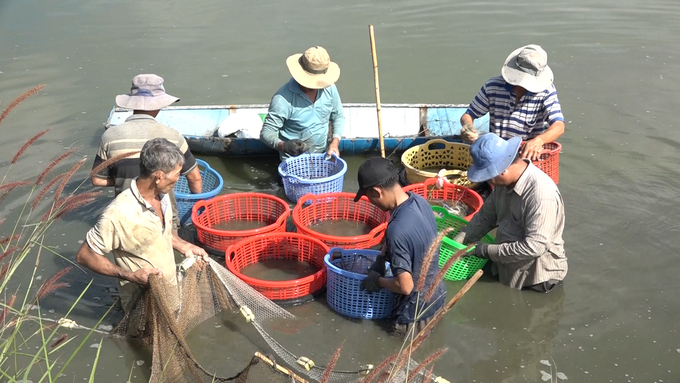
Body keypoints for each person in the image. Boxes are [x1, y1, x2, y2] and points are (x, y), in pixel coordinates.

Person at [77, 138, 209, 313]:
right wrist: (130, 276)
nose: (179, 178)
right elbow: (85, 255)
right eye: (177, 173)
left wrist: (185, 246)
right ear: (159, 176)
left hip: (170, 294)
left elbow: (161, 233)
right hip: (142, 305)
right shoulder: (118, 213)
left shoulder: (164, 197)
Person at [454, 133, 567, 292]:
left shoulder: (540, 194)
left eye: (488, 177)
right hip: (506, 263)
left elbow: (535, 247)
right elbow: (486, 217)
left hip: (536, 279)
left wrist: (482, 250)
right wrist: (459, 240)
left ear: (502, 171)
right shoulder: (502, 185)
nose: (488, 182)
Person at [91, 73, 202, 227]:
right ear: (159, 104)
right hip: (164, 220)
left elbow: (97, 179)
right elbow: (194, 178)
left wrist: (124, 179)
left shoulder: (109, 136)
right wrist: (200, 206)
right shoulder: (173, 136)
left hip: (125, 220)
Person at [355, 157, 446, 337]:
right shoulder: (419, 201)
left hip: (414, 315)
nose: (372, 203)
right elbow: (412, 242)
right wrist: (381, 258)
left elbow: (405, 287)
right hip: (437, 297)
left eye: (369, 198)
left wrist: (377, 280)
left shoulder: (396, 230)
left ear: (376, 191)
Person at [460, 44, 565, 161]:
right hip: (498, 153)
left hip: (527, 155)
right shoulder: (492, 86)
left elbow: (559, 126)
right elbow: (469, 115)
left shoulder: (545, 91)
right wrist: (467, 126)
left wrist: (539, 140)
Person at [260, 46, 345, 159]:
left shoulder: (329, 88)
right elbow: (266, 133)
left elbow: (338, 115)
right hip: (293, 160)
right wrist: (284, 146)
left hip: (323, 155)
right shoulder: (282, 99)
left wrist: (335, 143)